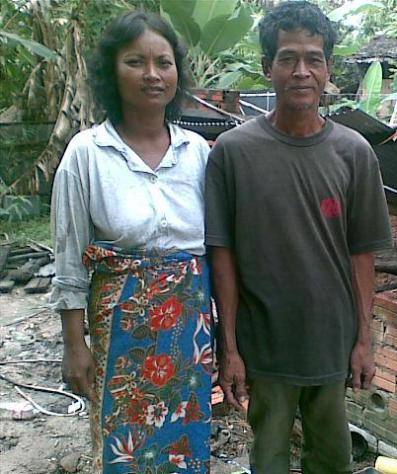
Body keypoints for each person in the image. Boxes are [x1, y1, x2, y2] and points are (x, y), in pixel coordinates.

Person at [205, 2, 392, 473]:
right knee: (268, 458)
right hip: (264, 347)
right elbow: (222, 256)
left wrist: (364, 341)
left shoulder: (353, 153)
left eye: (314, 59)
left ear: (328, 68)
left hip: (332, 343)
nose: (301, 71)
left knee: (331, 459)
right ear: (267, 66)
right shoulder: (234, 153)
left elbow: (362, 255)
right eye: (288, 58)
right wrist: (230, 349)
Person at [51, 11, 214, 473]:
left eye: (163, 62)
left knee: (185, 443)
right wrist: (74, 344)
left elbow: (219, 249)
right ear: (112, 71)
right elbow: (69, 259)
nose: (152, 74)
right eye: (135, 62)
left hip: (190, 329)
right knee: (124, 448)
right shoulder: (87, 153)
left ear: (177, 73)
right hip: (121, 328)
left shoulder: (196, 153)